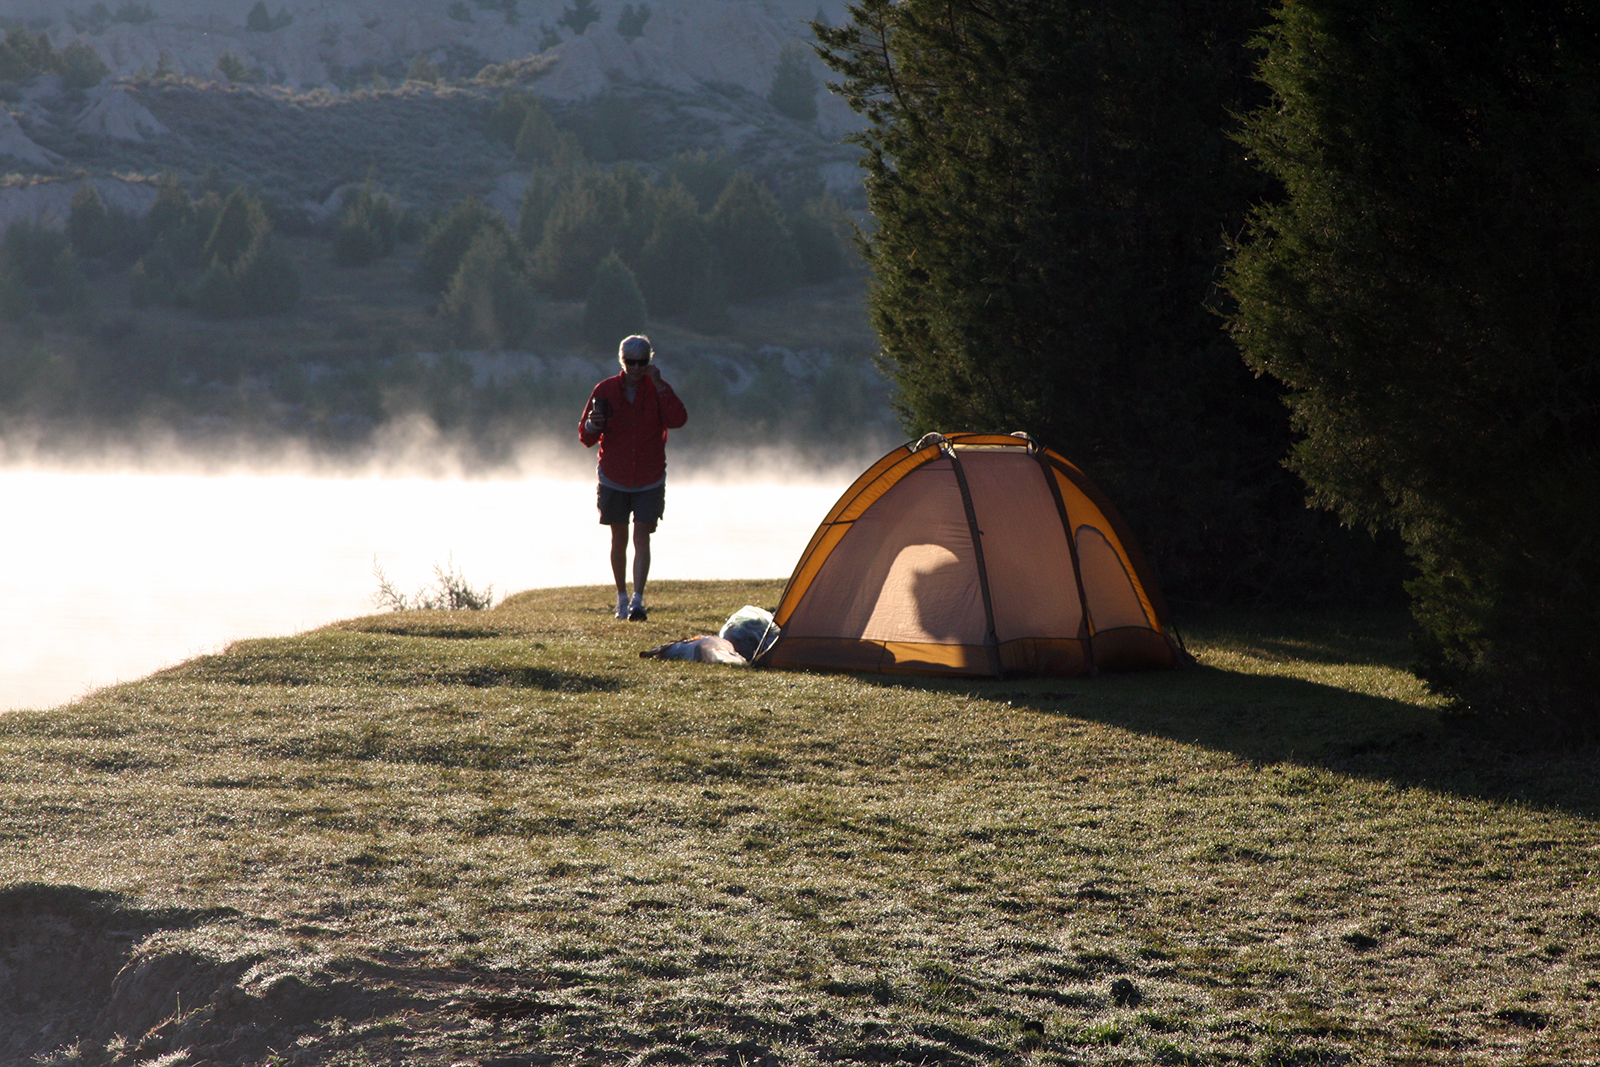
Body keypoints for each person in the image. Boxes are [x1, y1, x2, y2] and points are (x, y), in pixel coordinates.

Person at [579, 335, 688, 621]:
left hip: (649, 477)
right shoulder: (604, 390)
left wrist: (662, 386)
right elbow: (585, 436)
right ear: (622, 361)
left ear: (650, 362)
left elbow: (678, 420)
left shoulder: (658, 390)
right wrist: (593, 424)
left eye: (643, 362)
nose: (637, 368)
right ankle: (621, 598)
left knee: (642, 535)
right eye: (631, 363)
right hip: (614, 476)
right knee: (619, 538)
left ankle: (638, 601)